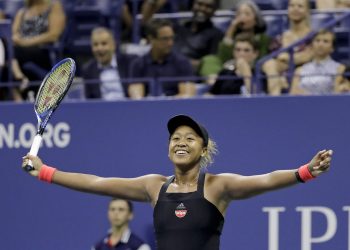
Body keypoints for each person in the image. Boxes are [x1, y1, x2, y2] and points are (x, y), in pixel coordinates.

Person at [22, 114, 333, 250]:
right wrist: (47, 171)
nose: (180, 142)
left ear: (204, 149)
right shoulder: (153, 186)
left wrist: (305, 171)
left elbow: (264, 180)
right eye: (175, 138)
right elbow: (97, 183)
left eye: (189, 138)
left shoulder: (217, 187)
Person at [11, 0, 66, 100]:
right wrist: (17, 39)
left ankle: (18, 78)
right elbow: (14, 35)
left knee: (12, 53)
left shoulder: (53, 7)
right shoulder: (22, 12)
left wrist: (26, 43)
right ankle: (19, 80)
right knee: (10, 52)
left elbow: (53, 35)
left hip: (43, 51)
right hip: (20, 52)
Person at [128, 19, 194, 99]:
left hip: (175, 109)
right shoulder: (138, 64)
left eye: (172, 38)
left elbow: (187, 95)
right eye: (165, 39)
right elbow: (137, 98)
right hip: (147, 108)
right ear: (151, 39)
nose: (170, 43)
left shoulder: (182, 62)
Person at [262, 0, 313, 95]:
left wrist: (285, 58)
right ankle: (275, 99)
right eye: (292, 5)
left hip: (306, 74)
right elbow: (272, 61)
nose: (295, 9)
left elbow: (308, 57)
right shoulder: (279, 38)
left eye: (300, 6)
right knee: (269, 64)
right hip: (281, 76)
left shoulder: (313, 36)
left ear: (307, 11)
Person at [82, 27, 137, 100]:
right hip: (100, 110)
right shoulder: (88, 69)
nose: (99, 48)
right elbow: (88, 100)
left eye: (104, 44)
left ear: (113, 45)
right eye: (95, 45)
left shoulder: (128, 62)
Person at [290, 29, 346, 95]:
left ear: (332, 48)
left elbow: (337, 93)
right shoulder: (299, 70)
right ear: (311, 45)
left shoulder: (340, 68)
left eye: (325, 41)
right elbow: (293, 94)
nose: (320, 44)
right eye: (317, 40)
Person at [173, 0, 223, 72]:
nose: (202, 9)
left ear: (214, 10)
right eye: (199, 4)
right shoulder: (178, 29)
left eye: (208, 6)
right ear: (192, 5)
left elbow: (210, 63)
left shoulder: (216, 35)